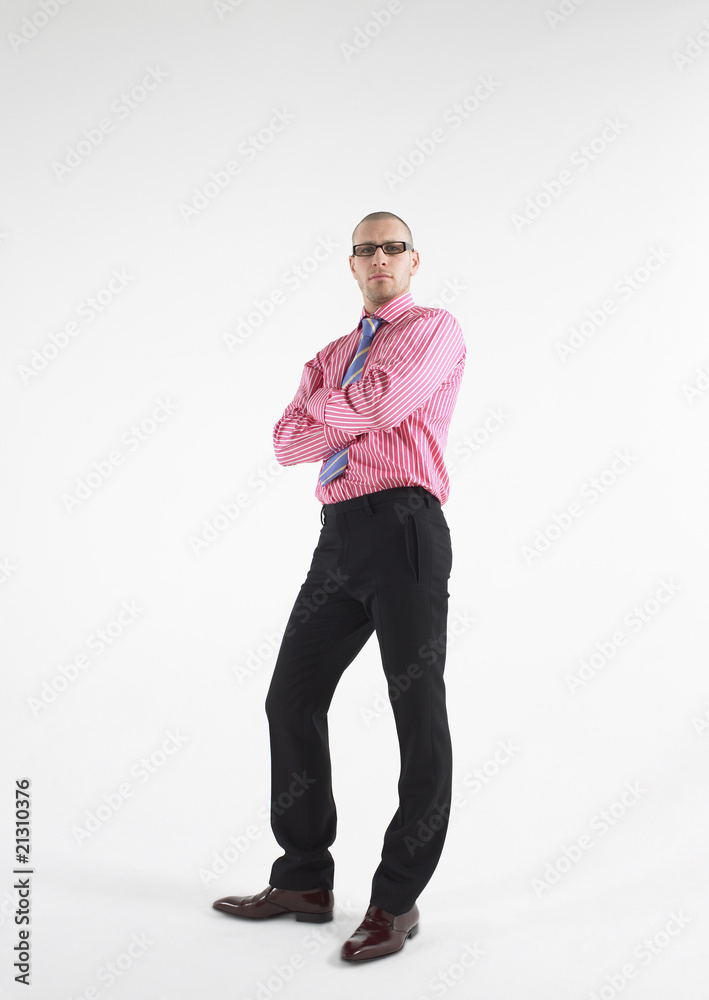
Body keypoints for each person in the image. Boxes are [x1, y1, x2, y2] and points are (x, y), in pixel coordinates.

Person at [213, 211, 466, 962]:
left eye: (393, 247)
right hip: (338, 538)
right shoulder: (330, 354)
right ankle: (302, 880)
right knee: (289, 698)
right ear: (351, 264)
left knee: (415, 712)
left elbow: (381, 406)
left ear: (413, 260)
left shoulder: (433, 328)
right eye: (366, 249)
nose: (380, 257)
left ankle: (395, 901)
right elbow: (285, 442)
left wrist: (330, 406)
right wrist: (350, 403)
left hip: (405, 528)